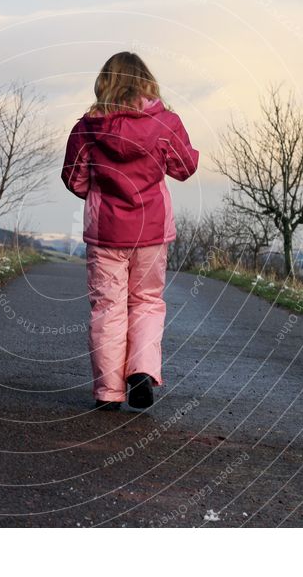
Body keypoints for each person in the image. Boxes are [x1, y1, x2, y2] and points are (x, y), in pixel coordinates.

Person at [61, 51, 199, 411]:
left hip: (106, 231)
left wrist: (98, 189)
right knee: (147, 303)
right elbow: (184, 168)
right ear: (146, 82)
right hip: (151, 231)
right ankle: (141, 371)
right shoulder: (166, 123)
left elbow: (74, 179)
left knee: (107, 309)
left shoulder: (87, 128)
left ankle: (108, 393)